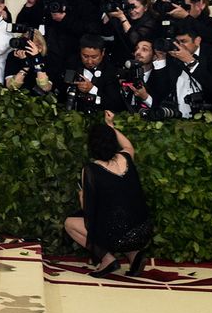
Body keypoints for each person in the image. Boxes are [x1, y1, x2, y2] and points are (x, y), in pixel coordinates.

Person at [64, 112, 152, 277]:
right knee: (125, 220)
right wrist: (111, 126)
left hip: (115, 235)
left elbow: (89, 212)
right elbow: (128, 145)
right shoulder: (126, 157)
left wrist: (81, 195)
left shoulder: (91, 170)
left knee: (70, 223)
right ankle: (134, 256)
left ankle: (107, 259)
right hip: (143, 230)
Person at [165, 20, 212, 117]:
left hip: (208, 118)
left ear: (197, 41)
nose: (179, 46)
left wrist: (190, 61)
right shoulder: (172, 57)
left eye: (184, 41)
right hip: (177, 117)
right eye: (177, 42)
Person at [64, 34, 125, 113]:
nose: (89, 61)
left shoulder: (110, 71)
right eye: (85, 56)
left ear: (103, 52)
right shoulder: (72, 64)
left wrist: (92, 89)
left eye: (94, 57)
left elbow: (115, 104)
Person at [105, 0, 158, 65]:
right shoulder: (125, 15)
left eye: (135, 7)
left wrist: (122, 18)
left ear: (145, 7)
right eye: (129, 7)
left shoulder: (151, 20)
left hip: (140, 61)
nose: (132, 11)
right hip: (119, 59)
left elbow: (135, 41)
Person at [125, 38, 175, 112]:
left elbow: (163, 107)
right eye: (137, 49)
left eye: (144, 49)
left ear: (155, 56)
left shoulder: (161, 77)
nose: (138, 52)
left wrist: (145, 97)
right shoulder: (129, 75)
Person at [4, 30, 54, 96]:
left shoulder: (48, 58)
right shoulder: (14, 56)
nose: (26, 47)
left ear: (39, 47)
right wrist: (25, 66)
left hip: (39, 100)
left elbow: (45, 87)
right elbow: (11, 87)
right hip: (17, 97)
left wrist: (37, 60)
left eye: (30, 45)